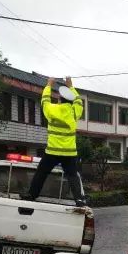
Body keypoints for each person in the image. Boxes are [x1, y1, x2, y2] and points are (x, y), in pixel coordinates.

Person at [25, 76, 86, 206]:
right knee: (72, 176)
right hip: (69, 153)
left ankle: (32, 195)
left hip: (52, 151)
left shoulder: (52, 109)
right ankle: (79, 199)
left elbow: (44, 100)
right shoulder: (74, 112)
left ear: (59, 99)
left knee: (41, 172)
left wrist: (49, 85)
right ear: (70, 102)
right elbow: (79, 101)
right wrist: (71, 86)